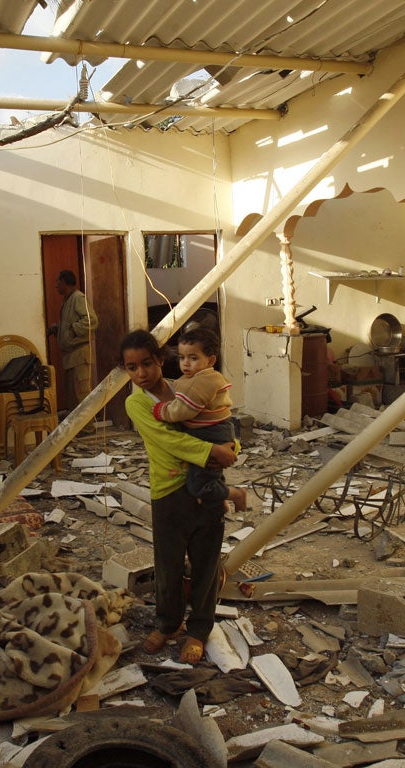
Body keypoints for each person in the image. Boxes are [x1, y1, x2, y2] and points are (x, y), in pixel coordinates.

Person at [120, 329, 237, 664]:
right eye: (131, 367)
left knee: (206, 563)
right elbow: (170, 442)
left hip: (208, 487)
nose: (141, 373)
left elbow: (222, 418)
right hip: (169, 491)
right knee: (168, 566)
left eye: (146, 363)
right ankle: (169, 623)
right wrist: (213, 450)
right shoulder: (136, 403)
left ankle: (199, 629)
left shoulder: (188, 385)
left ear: (160, 360)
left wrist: (232, 447)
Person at [151, 327, 247, 512]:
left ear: (210, 360)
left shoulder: (202, 381)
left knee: (199, 484)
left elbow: (183, 410)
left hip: (211, 433)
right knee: (211, 475)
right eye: (182, 357)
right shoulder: (197, 377)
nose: (186, 363)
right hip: (215, 429)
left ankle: (235, 494)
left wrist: (162, 410)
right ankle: (217, 501)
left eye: (193, 358)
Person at [48, 270, 98, 410]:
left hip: (79, 356)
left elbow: (91, 320)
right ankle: (78, 426)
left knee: (82, 394)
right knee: (73, 395)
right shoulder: (68, 300)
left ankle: (88, 427)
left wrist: (72, 331)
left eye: (58, 282)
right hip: (70, 357)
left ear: (64, 282)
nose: (56, 286)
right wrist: (56, 328)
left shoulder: (78, 298)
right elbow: (69, 322)